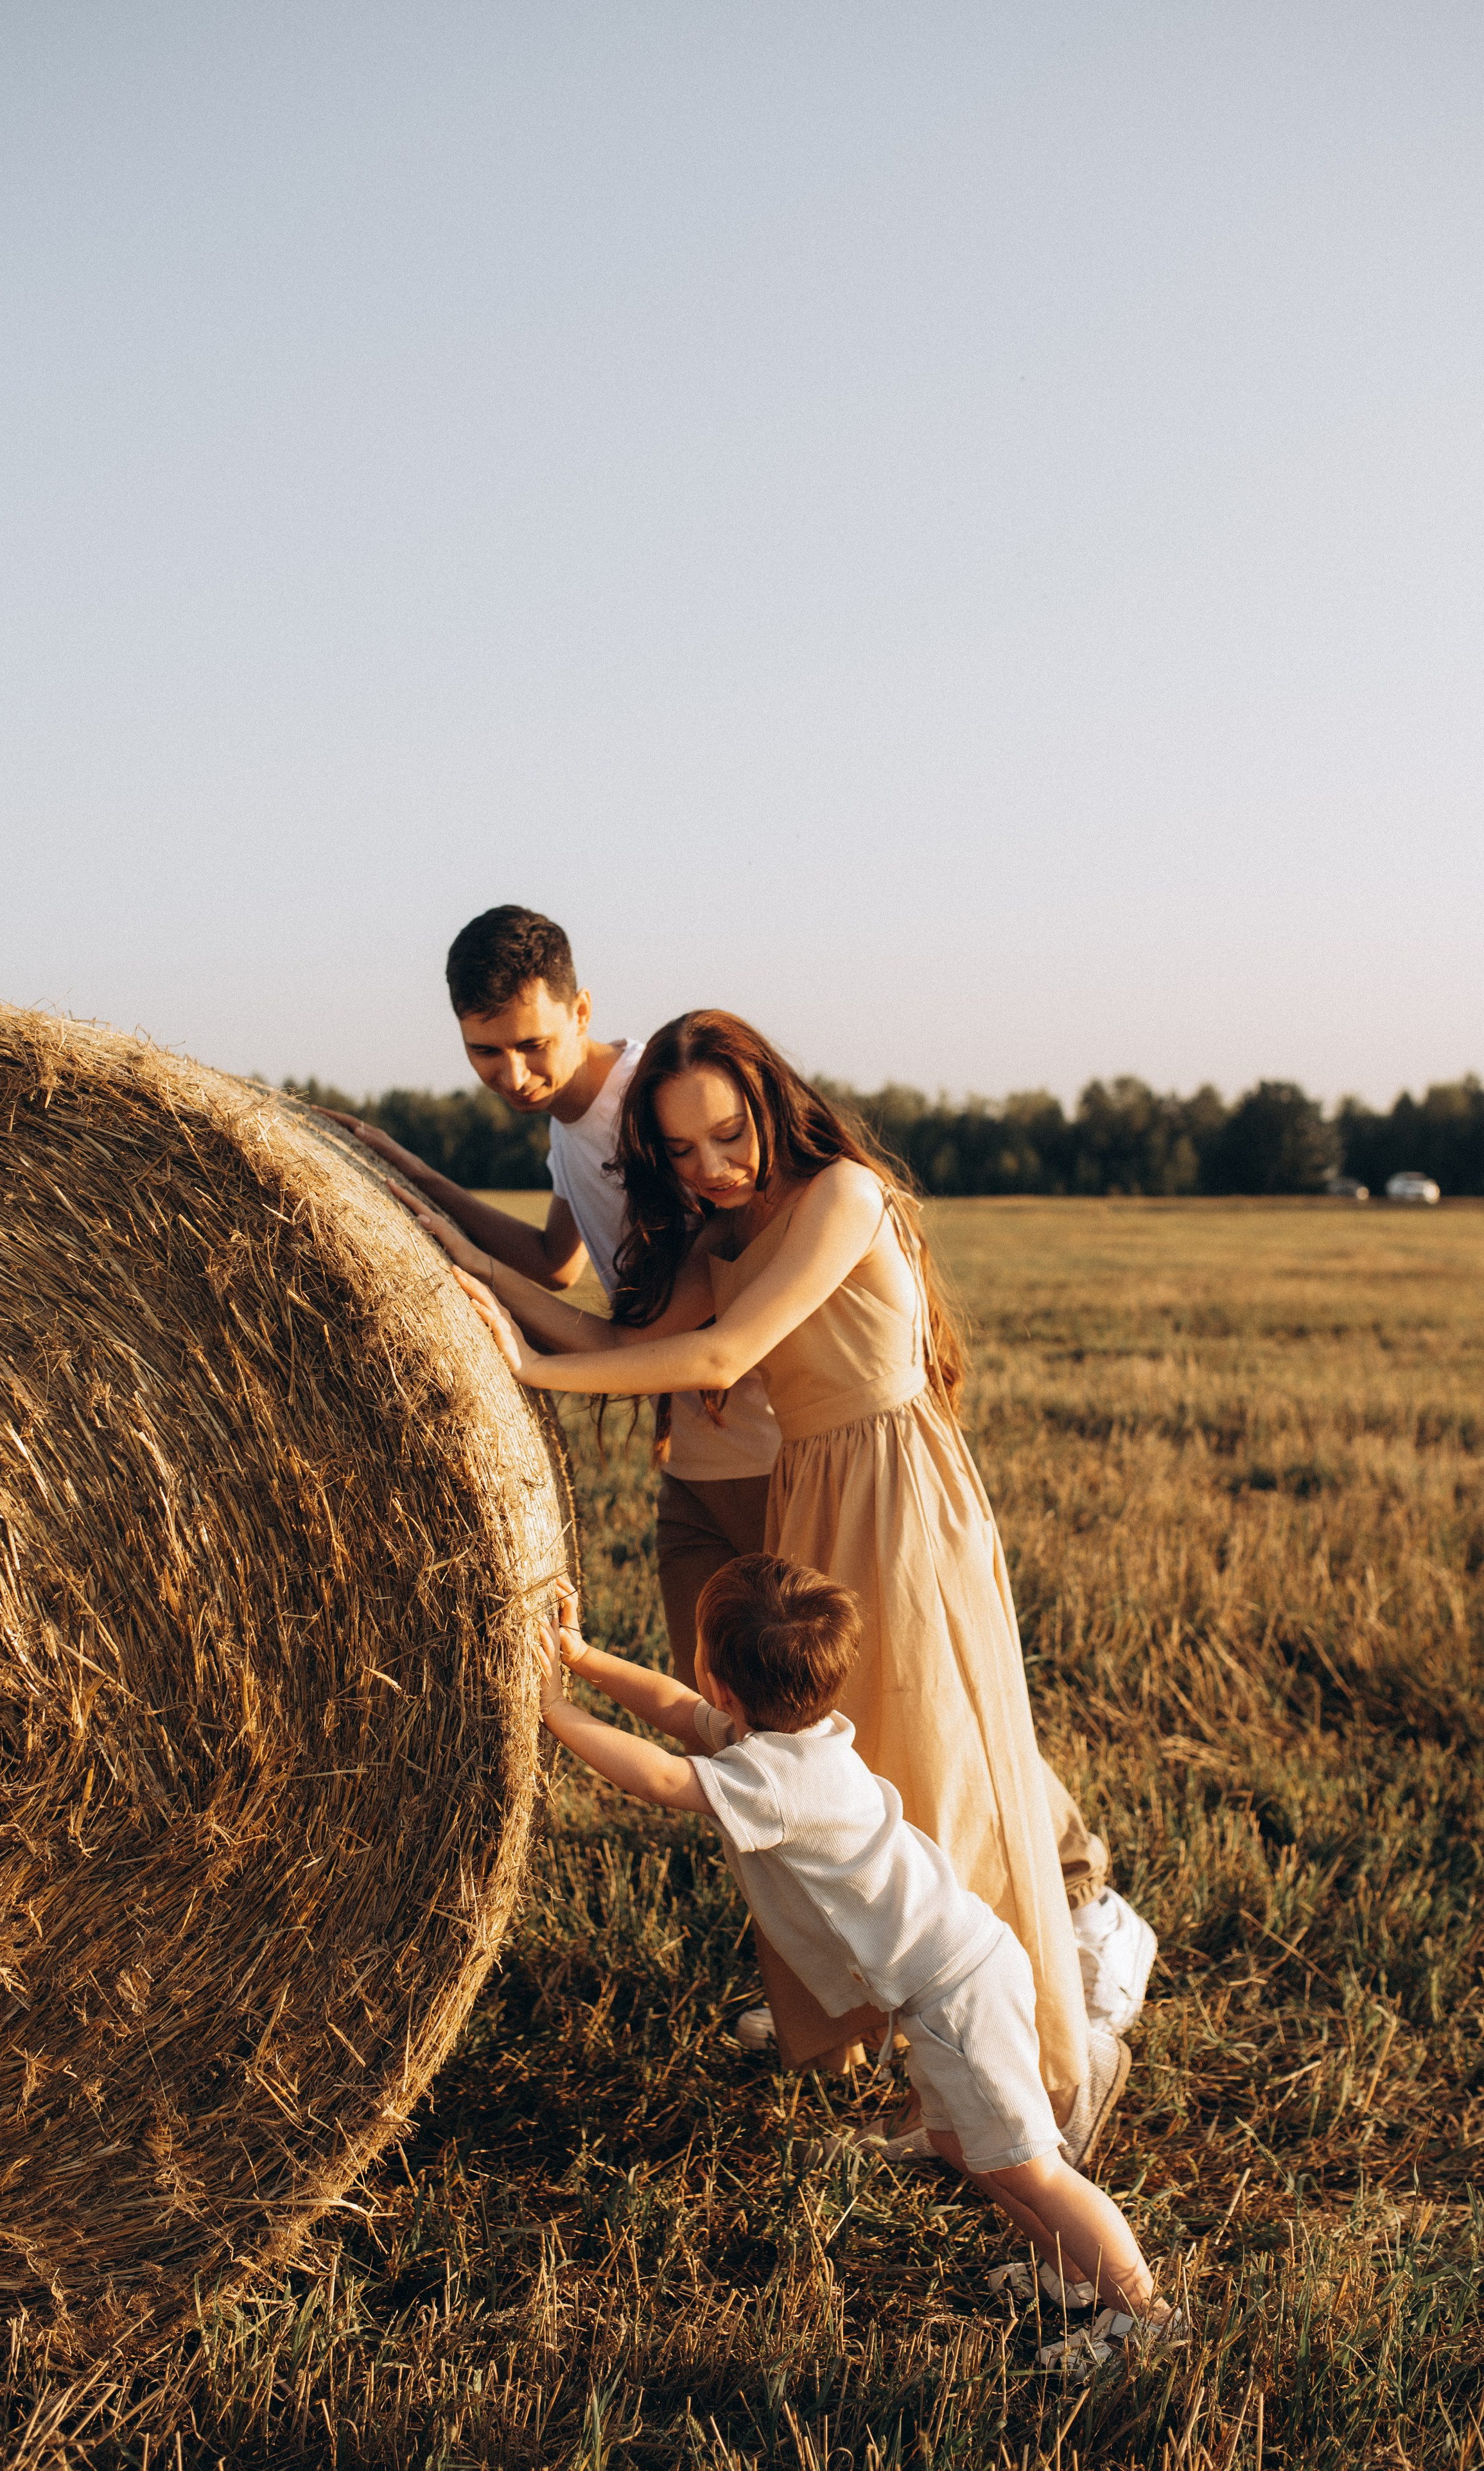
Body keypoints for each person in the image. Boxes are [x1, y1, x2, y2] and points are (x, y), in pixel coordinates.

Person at [327, 926, 1153, 2079]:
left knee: (932, 1755)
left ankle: (1032, 2043)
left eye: (728, 1133)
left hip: (893, 1488)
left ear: (772, 1101)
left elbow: (722, 1355)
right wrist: (449, 1255)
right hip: (814, 1485)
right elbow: (613, 1325)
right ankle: (884, 2020)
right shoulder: (718, 1226)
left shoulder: (845, 1192)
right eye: (681, 1150)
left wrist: (532, 1372)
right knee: (810, 1767)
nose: (711, 1162)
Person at [532, 1553, 1181, 2368]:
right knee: (964, 2148)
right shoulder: (788, 1742)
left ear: (722, 1675)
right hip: (951, 1981)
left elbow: (662, 1777)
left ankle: (1146, 2317)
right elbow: (676, 1710)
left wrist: (553, 1708)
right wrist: (582, 1657)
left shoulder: (774, 1781)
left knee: (1036, 2167)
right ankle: (1070, 2271)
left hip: (959, 1994)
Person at [315, 905, 781, 1690]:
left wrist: (518, 1329)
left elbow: (693, 1292)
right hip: (700, 1440)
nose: (515, 1075)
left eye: (534, 1044)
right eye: (485, 1052)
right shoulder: (570, 1127)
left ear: (582, 1009)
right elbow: (553, 1259)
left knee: (784, 1699)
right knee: (720, 1695)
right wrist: (413, 1175)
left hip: (767, 1432)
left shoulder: (655, 1104)